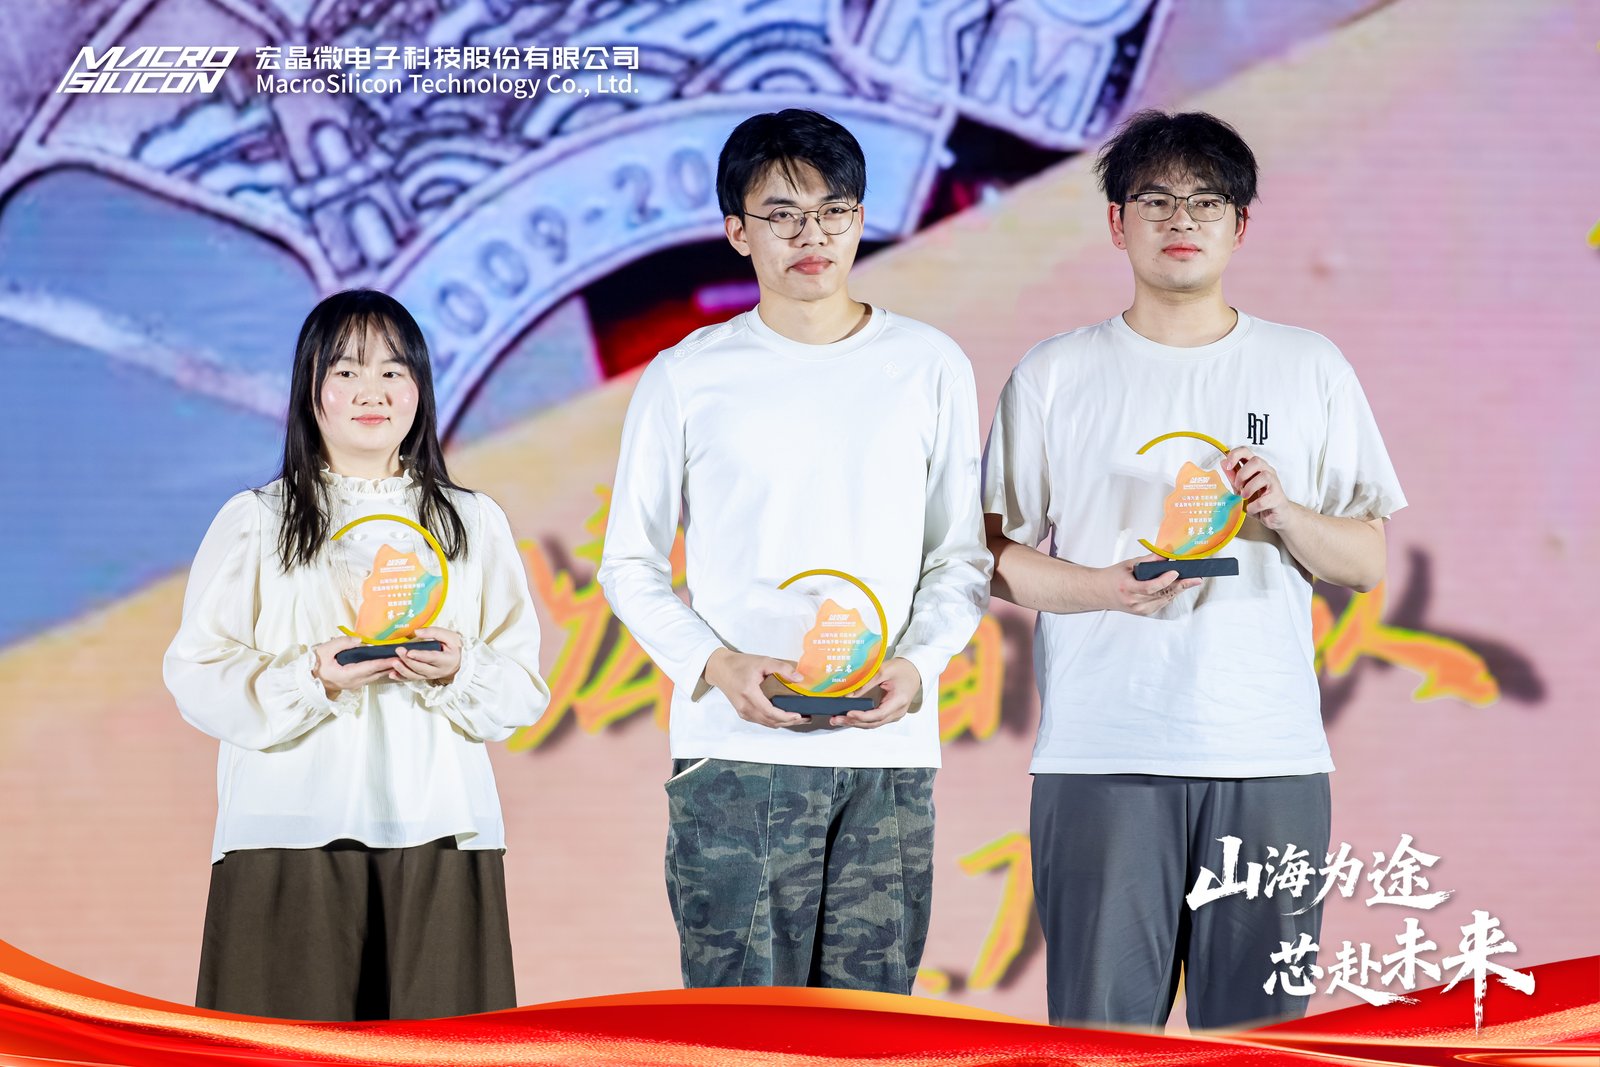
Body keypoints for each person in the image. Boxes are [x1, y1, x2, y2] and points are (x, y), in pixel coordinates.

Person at [981, 110, 1406, 1029]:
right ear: (1116, 221)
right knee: (1101, 1037)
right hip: (1102, 751)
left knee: (1265, 1041)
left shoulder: (1307, 365)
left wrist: (1283, 512)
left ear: (1240, 224)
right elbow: (990, 557)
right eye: (1156, 200)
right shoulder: (1056, 373)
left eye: (1207, 202)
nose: (1182, 219)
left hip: (1268, 753)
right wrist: (1103, 589)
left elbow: (1367, 560)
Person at [596, 108, 990, 993]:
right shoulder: (687, 374)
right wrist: (716, 664)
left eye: (833, 211)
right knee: (742, 1034)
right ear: (737, 231)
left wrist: (919, 664)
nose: (812, 236)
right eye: (782, 214)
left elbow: (961, 556)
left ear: (861, 219)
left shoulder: (929, 364)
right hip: (739, 751)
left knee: (870, 1033)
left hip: (885, 749)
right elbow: (629, 562)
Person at [164, 289, 550, 1021]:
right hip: (289, 828)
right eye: (346, 371)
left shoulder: (472, 522)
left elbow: (522, 690)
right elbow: (195, 670)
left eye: (393, 371)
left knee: (438, 1050)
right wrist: (310, 675)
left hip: (440, 828)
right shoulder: (258, 519)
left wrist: (461, 668)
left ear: (420, 389)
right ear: (310, 390)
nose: (372, 391)